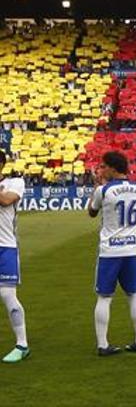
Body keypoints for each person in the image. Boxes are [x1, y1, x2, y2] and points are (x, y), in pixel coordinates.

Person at [87, 151, 136, 356]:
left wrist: (97, 185)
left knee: (104, 297)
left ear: (113, 168)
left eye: (104, 166)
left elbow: (92, 212)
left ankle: (103, 344)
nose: (102, 169)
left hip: (110, 250)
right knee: (134, 295)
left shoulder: (104, 190)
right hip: (132, 248)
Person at [0, 150, 29, 363]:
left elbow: (5, 200)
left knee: (7, 295)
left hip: (5, 248)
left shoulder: (15, 183)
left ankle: (22, 344)